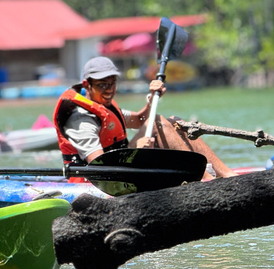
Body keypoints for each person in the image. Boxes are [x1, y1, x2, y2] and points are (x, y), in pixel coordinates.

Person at [53, 56, 237, 181]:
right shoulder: (81, 119)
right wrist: (138, 152)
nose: (109, 90)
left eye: (112, 84)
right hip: (98, 180)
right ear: (87, 84)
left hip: (120, 164)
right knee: (157, 122)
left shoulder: (102, 103)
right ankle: (205, 180)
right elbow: (101, 169)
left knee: (174, 122)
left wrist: (152, 99)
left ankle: (227, 175)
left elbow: (139, 120)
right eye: (102, 85)